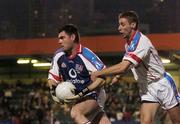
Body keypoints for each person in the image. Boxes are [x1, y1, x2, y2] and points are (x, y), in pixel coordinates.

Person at [70, 11, 180, 124]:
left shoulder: (141, 42)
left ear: (133, 25)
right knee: (146, 122)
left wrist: (99, 73)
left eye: (122, 24)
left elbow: (124, 66)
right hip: (146, 87)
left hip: (162, 84)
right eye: (119, 24)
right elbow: (128, 64)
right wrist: (117, 77)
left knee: (177, 121)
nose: (119, 28)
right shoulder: (128, 44)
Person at [48, 24, 111, 124]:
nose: (59, 41)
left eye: (62, 38)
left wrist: (84, 92)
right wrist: (53, 91)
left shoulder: (86, 54)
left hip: (93, 93)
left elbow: (103, 78)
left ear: (72, 37)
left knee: (76, 112)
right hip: (78, 97)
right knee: (98, 119)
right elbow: (52, 78)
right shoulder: (58, 55)